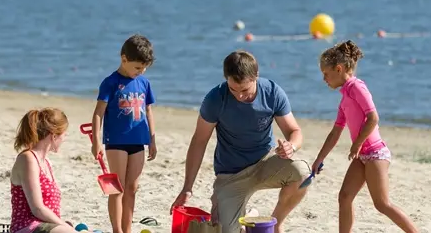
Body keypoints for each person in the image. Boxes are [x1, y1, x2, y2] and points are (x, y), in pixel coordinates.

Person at [171, 50, 309, 233]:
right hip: (231, 175)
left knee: (303, 174)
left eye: (245, 90)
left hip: (264, 163)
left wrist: (291, 146)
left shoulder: (272, 92)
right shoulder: (215, 99)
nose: (239, 96)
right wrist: (187, 187)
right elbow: (199, 141)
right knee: (226, 229)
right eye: (233, 89)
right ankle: (249, 216)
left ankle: (276, 223)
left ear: (256, 77)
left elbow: (295, 131)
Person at [311, 40, 418, 233]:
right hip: (362, 156)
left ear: (339, 69)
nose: (324, 79)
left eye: (325, 74)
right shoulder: (345, 98)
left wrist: (357, 144)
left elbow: (373, 118)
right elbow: (335, 132)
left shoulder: (357, 87)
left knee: (382, 204)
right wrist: (320, 158)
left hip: (376, 153)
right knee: (344, 197)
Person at [91, 34, 157, 233]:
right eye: (137, 67)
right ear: (124, 59)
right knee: (117, 188)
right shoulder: (110, 82)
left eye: (144, 68)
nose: (141, 71)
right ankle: (117, 230)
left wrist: (152, 139)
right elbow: (98, 113)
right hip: (116, 141)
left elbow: (148, 111)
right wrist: (96, 141)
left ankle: (127, 229)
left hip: (138, 141)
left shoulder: (144, 83)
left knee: (132, 188)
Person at [10, 108, 73, 233]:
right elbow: (37, 208)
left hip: (45, 226)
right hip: (28, 227)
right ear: (54, 136)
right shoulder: (28, 159)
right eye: (64, 135)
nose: (64, 140)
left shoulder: (46, 162)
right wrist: (67, 228)